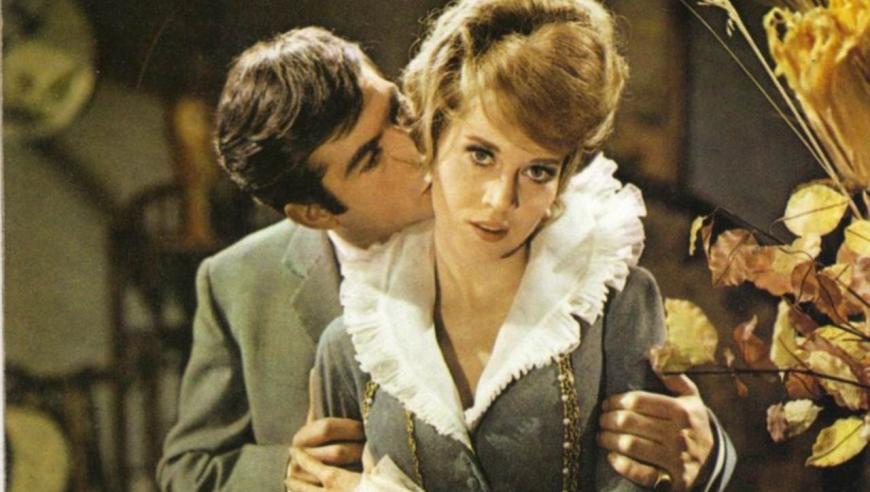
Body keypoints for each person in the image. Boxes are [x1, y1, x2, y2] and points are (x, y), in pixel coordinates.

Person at [158, 23, 733, 492]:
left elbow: (648, 398)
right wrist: (293, 475)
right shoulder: (238, 283)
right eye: (370, 157)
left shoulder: (549, 213)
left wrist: (707, 456)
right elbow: (188, 471)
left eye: (394, 110)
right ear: (313, 212)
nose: (411, 144)